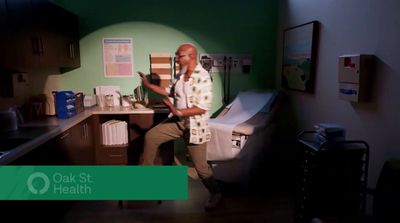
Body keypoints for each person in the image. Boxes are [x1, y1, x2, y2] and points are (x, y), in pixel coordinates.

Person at [138, 43, 221, 210]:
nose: (176, 58)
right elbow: (168, 91)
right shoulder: (180, 75)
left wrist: (178, 111)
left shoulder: (203, 77)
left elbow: (202, 108)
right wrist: (148, 85)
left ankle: (216, 192)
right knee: (151, 136)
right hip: (177, 122)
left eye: (179, 55)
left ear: (190, 56)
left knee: (202, 169)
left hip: (194, 126)